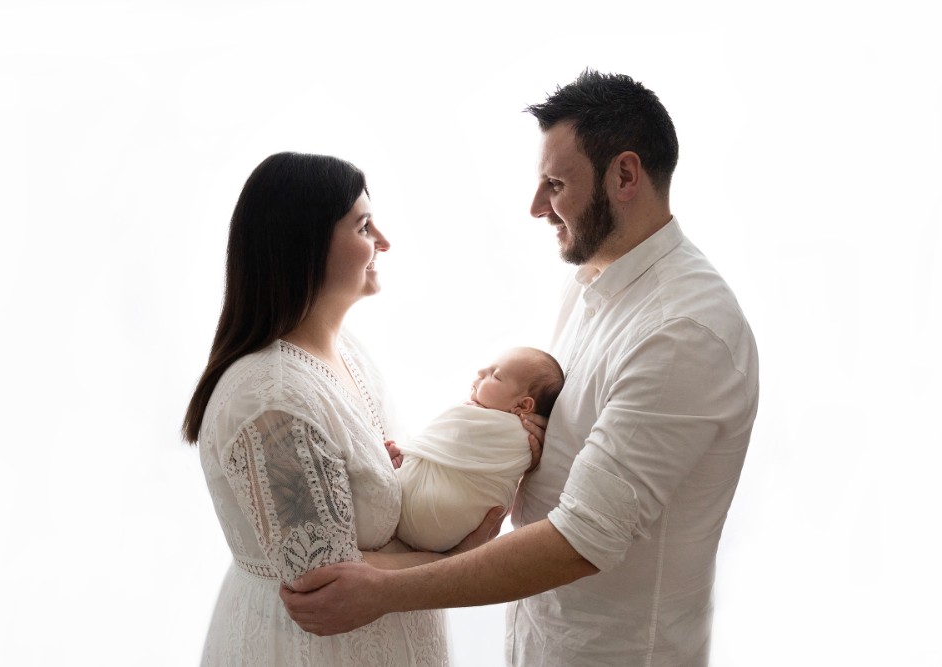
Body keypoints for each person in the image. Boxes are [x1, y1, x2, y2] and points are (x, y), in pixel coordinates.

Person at [280, 71, 760, 667]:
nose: (536, 207)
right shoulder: (593, 284)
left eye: (555, 184)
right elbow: (561, 466)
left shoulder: (682, 332)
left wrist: (385, 592)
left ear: (626, 175)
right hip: (541, 642)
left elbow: (583, 539)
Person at [181, 152, 512, 666]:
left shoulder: (347, 352)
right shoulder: (270, 400)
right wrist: (457, 559)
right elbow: (324, 585)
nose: (383, 240)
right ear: (304, 244)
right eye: (363, 225)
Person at [396, 347, 564, 552]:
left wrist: (410, 451)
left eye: (496, 375)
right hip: (447, 534)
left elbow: (451, 432)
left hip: (432, 509)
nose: (481, 372)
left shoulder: (516, 434)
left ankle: (405, 465)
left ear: (522, 405)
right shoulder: (520, 434)